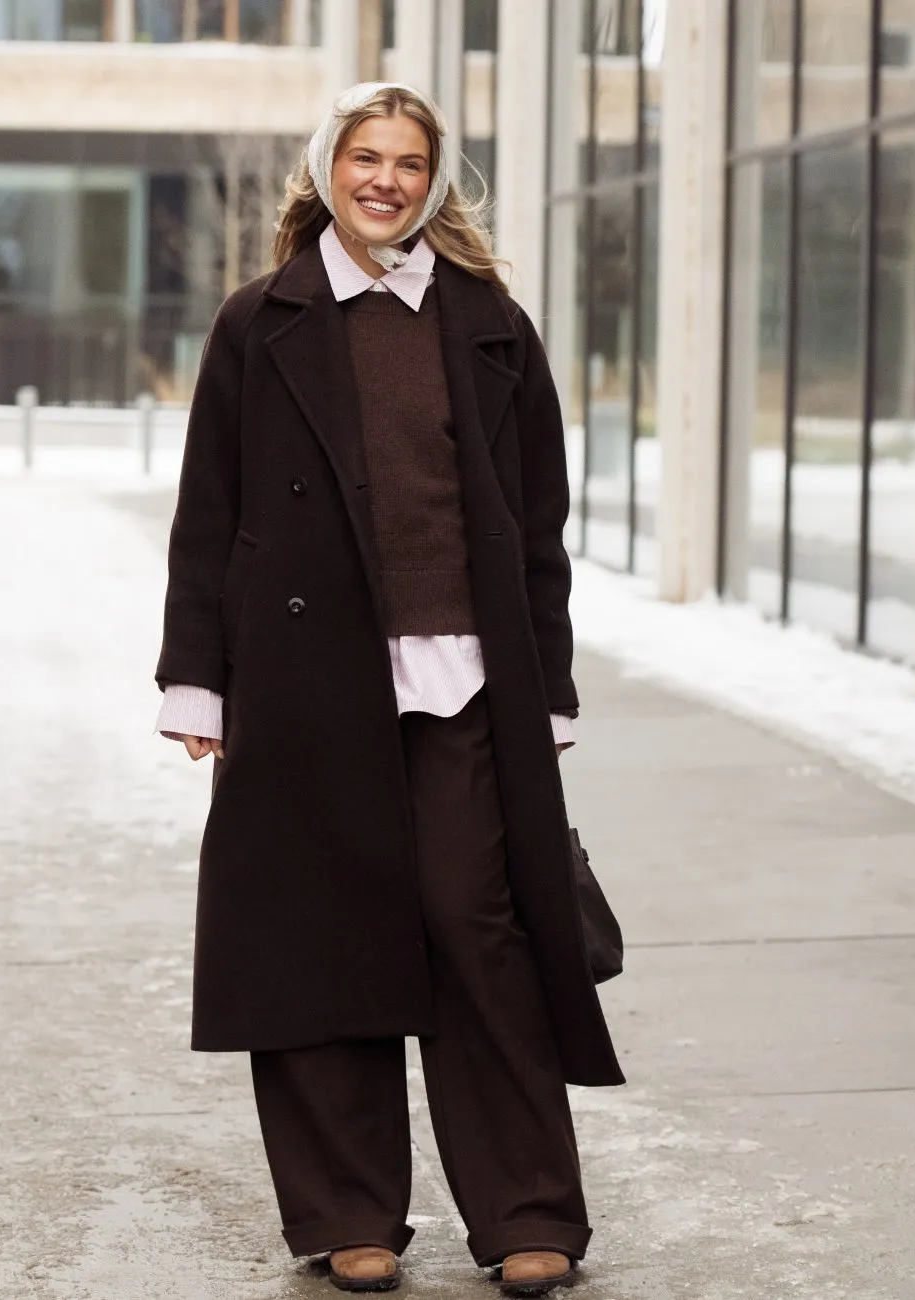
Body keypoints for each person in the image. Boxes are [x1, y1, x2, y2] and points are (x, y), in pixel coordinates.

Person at [154, 82, 622, 1296]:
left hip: (466, 679)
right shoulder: (261, 323)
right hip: (307, 683)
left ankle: (528, 1209)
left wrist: (548, 685)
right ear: (329, 168)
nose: (387, 180)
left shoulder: (487, 324)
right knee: (325, 933)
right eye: (366, 157)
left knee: (478, 928)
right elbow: (209, 517)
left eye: (410, 162)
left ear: (434, 181)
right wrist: (197, 683)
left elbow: (537, 533)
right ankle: (347, 1212)